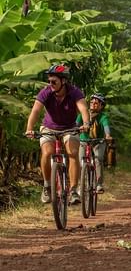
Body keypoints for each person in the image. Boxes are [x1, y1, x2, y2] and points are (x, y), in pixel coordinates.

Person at [25, 64, 90, 204]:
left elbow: (83, 108)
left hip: (69, 128)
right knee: (47, 153)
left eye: (54, 81)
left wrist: (86, 123)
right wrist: (29, 128)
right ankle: (47, 186)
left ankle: (73, 190)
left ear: (63, 81)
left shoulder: (75, 92)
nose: (51, 84)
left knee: (73, 153)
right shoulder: (46, 92)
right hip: (48, 128)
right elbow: (35, 111)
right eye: (49, 81)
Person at [77, 93, 112, 194]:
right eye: (91, 102)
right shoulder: (83, 114)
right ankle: (80, 185)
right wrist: (76, 129)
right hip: (84, 141)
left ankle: (99, 184)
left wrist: (108, 135)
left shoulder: (103, 117)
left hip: (98, 142)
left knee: (98, 159)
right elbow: (76, 124)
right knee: (80, 162)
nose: (93, 104)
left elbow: (106, 127)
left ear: (101, 106)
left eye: (96, 103)